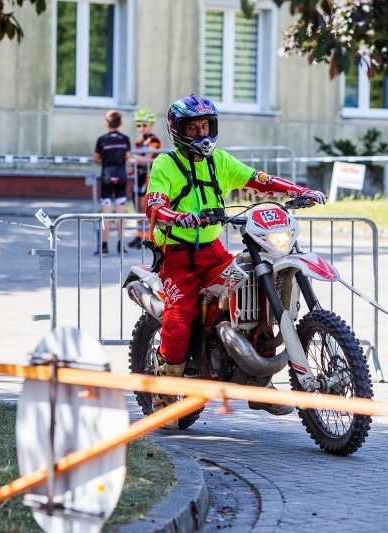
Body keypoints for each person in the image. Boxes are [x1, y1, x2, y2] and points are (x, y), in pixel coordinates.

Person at [144, 94, 327, 428]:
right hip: (179, 255)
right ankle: (164, 391)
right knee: (180, 313)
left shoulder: (221, 162)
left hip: (212, 249)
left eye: (206, 126)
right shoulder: (164, 165)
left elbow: (260, 180)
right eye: (194, 127)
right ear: (178, 131)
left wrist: (298, 190)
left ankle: (260, 384)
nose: (202, 133)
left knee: (253, 294)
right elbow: (154, 203)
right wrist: (174, 216)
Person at [94, 110, 131, 255]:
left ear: (106, 123)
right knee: (121, 212)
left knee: (106, 213)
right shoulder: (125, 139)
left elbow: (96, 158)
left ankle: (104, 246)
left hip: (106, 177)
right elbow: (127, 157)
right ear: (120, 123)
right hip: (121, 176)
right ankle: (121, 245)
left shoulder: (102, 139)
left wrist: (106, 159)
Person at [127, 108, 163, 249]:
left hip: (147, 176)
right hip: (137, 176)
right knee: (136, 207)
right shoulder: (138, 142)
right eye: (138, 125)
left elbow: (148, 159)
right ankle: (138, 235)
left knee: (144, 208)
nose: (141, 128)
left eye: (144, 125)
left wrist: (135, 158)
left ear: (151, 125)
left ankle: (147, 236)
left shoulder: (154, 140)